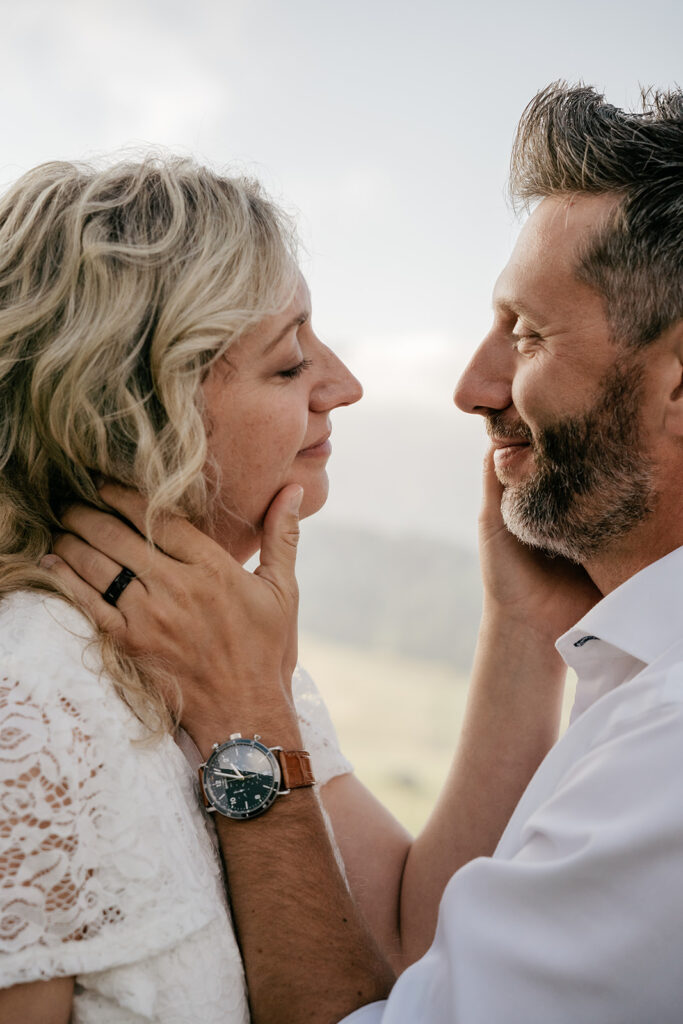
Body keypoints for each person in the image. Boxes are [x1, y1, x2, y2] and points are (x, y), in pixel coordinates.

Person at [42, 80, 683, 1022]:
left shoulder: (249, 684)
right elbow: (433, 951)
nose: (466, 386)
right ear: (144, 406)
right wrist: (521, 624)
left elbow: (400, 960)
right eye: (290, 360)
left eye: (529, 334)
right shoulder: (68, 677)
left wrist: (248, 725)